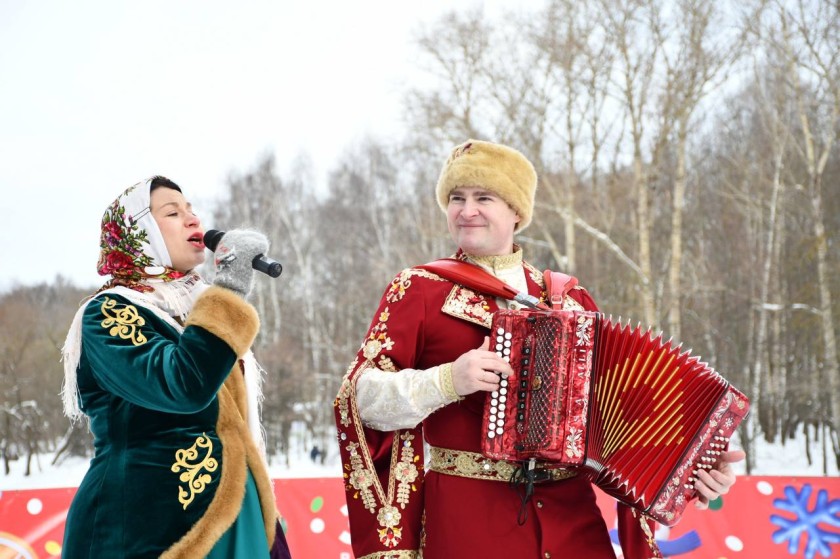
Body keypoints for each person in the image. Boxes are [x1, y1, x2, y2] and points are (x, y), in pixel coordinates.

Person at [333, 140, 745, 559]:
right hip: (469, 524)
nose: (466, 210)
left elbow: (614, 430)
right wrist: (447, 380)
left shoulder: (571, 300)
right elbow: (361, 398)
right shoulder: (419, 289)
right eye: (456, 198)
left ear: (516, 211)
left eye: (484, 197)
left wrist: (691, 474)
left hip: (573, 527)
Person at [60, 176, 292, 558]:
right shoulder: (107, 313)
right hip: (147, 530)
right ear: (139, 234)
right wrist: (230, 289)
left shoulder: (195, 309)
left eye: (191, 209)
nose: (191, 218)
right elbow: (184, 385)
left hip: (233, 513)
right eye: (172, 212)